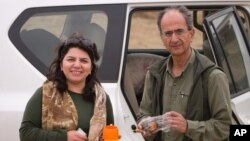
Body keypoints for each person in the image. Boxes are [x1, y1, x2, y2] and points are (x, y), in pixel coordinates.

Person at [136, 6, 232, 141]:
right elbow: (143, 114)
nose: (174, 39)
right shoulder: (154, 73)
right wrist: (146, 125)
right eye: (168, 33)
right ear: (162, 38)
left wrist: (188, 127)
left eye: (179, 31)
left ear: (191, 34)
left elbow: (225, 127)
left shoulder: (213, 76)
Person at [19, 33, 114, 141]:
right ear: (61, 65)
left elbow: (109, 133)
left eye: (83, 60)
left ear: (91, 68)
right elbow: (25, 134)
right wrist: (64, 137)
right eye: (71, 59)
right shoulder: (44, 94)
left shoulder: (101, 99)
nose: (77, 65)